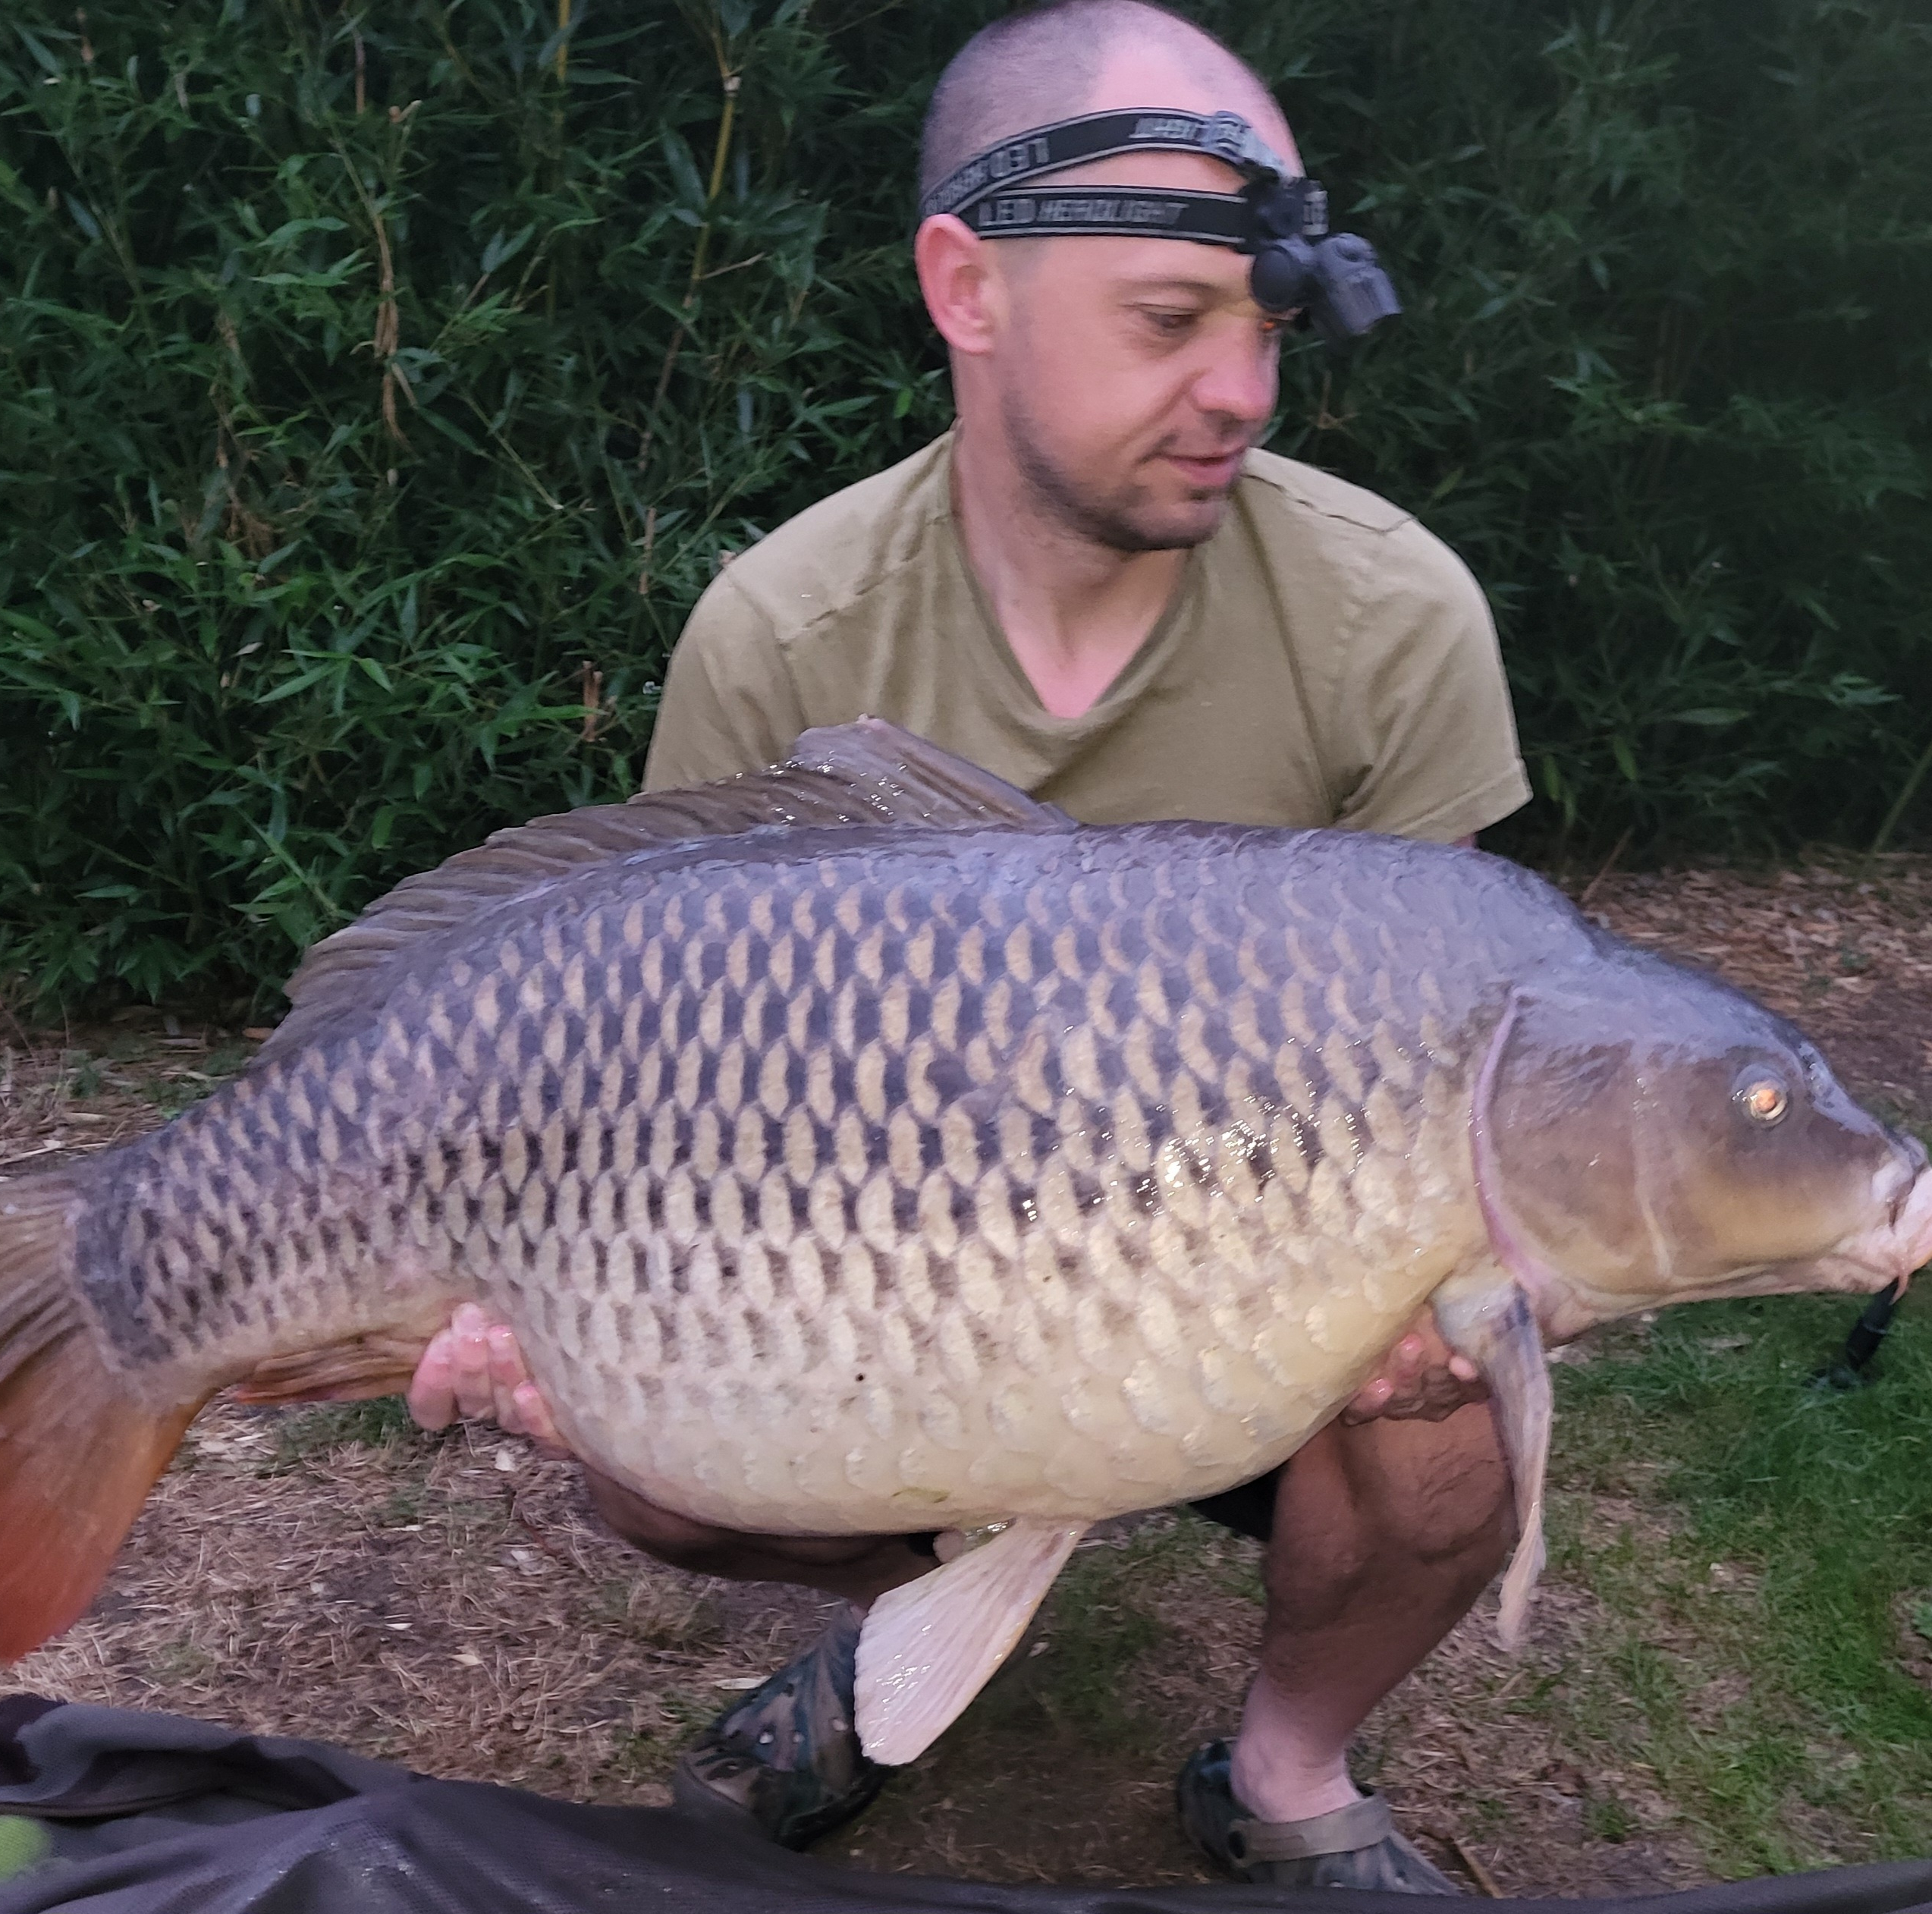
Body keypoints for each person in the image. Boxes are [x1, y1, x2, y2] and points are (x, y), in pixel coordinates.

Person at [408, 0, 1530, 1893]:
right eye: (1170, 322)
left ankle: (1284, 1769)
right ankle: (895, 1641)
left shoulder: (1391, 621)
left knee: (1460, 1429)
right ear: (965, 286)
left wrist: (1450, 1266)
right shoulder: (782, 634)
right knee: (639, 1449)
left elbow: (1464, 1035)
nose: (1241, 388)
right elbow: (650, 1066)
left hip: (1278, 1304)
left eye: (1265, 328)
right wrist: (546, 1309)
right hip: (905, 1287)